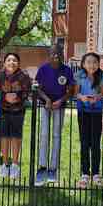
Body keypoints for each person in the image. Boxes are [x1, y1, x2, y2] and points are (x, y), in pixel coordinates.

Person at [34, 45, 75, 186]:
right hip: (45, 105)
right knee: (44, 134)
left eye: (58, 53)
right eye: (53, 53)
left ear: (62, 55)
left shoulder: (67, 70)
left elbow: (71, 91)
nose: (55, 56)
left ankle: (53, 169)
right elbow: (37, 88)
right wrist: (47, 100)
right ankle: (42, 168)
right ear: (49, 55)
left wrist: (60, 101)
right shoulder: (43, 69)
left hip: (59, 106)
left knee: (57, 135)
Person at [0, 52, 32, 180]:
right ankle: (5, 164)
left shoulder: (24, 75)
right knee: (4, 136)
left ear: (18, 63)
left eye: (14, 60)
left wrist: (17, 97)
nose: (12, 62)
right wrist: (5, 96)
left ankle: (15, 165)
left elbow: (28, 91)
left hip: (18, 110)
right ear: (4, 63)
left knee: (16, 137)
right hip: (3, 110)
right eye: (9, 60)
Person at [74, 52, 103, 188]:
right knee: (84, 142)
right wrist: (81, 97)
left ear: (98, 64)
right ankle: (84, 173)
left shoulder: (102, 75)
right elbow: (75, 93)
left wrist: (97, 98)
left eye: (94, 62)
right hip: (83, 112)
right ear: (83, 64)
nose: (92, 65)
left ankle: (95, 174)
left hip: (97, 112)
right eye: (88, 62)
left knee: (95, 143)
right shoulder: (79, 75)